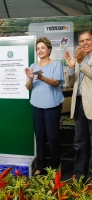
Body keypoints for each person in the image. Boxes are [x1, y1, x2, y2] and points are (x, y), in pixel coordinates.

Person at [25, 37, 64, 175]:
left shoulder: (56, 64)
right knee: (39, 136)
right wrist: (30, 78)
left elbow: (56, 83)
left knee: (52, 136)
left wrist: (43, 78)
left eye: (42, 48)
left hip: (52, 105)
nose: (40, 50)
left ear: (49, 49)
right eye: (38, 49)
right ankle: (40, 166)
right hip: (37, 104)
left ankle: (55, 166)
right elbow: (28, 87)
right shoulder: (32, 66)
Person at [65, 30, 92, 180]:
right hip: (79, 105)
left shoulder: (82, 60)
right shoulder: (78, 58)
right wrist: (70, 67)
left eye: (87, 40)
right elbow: (69, 83)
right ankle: (79, 177)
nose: (85, 43)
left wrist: (81, 63)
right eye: (82, 41)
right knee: (80, 144)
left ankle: (91, 179)